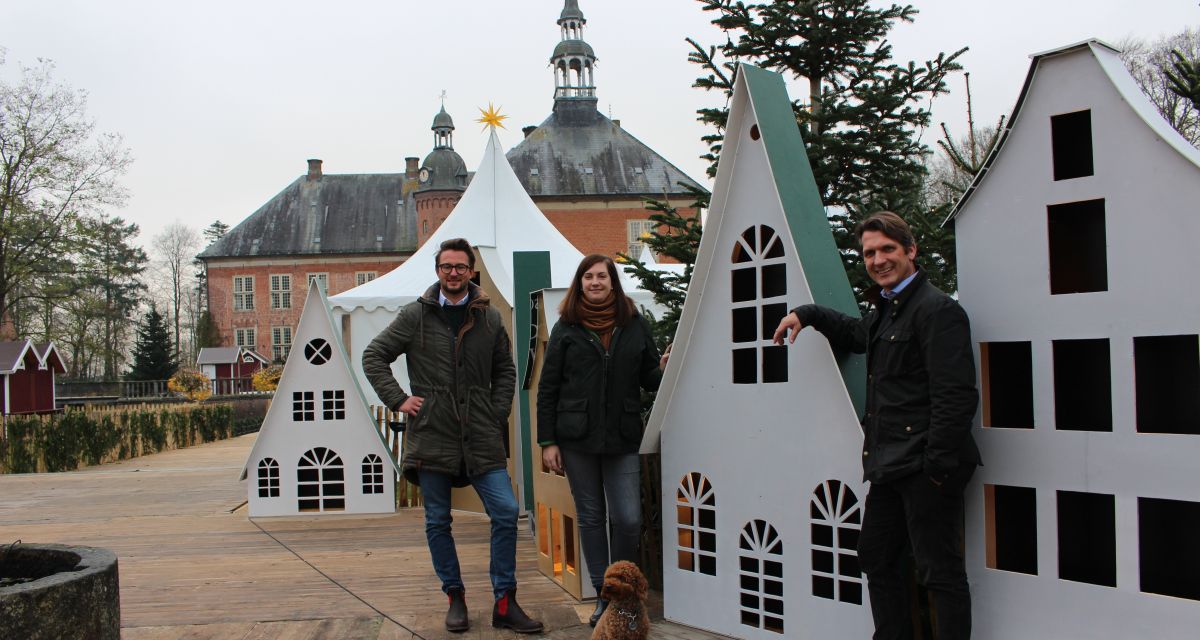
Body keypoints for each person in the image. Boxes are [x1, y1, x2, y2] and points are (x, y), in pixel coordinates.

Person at [773, 211, 980, 640]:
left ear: (911, 250)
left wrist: (936, 467)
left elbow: (956, 395)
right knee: (876, 557)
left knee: (939, 572)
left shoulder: (937, 310)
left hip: (926, 467)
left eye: (887, 249)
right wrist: (806, 314)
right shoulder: (887, 309)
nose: (878, 260)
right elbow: (854, 334)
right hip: (889, 465)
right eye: (869, 253)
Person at [361, 237, 543, 634]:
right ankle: (455, 596)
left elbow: (505, 370)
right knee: (437, 520)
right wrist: (399, 399)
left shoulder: (489, 318)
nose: (454, 273)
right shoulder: (415, 315)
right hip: (433, 434)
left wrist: (496, 412)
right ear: (438, 270)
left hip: (481, 435)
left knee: (506, 512)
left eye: (460, 266)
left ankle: (505, 601)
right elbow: (374, 355)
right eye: (447, 266)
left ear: (471, 271)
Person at [536, 254, 668, 627]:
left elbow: (648, 379)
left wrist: (662, 369)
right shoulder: (566, 327)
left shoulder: (634, 324)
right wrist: (548, 441)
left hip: (622, 437)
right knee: (592, 518)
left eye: (602, 276)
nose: (595, 282)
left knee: (628, 519)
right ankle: (604, 597)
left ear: (613, 282)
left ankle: (623, 593)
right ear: (580, 283)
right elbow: (548, 388)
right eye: (588, 276)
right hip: (576, 438)